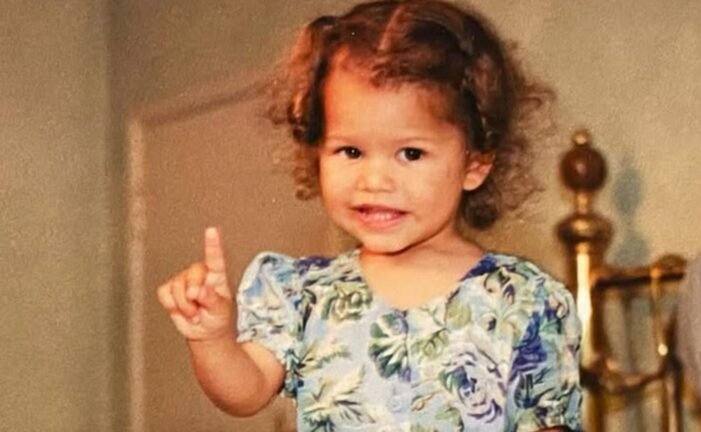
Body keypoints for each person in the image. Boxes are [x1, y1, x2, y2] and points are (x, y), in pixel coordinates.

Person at [157, 1, 583, 430]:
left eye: (410, 153)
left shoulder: (523, 300)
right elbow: (245, 393)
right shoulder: (302, 294)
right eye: (351, 151)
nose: (374, 180)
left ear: (474, 163)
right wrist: (211, 338)